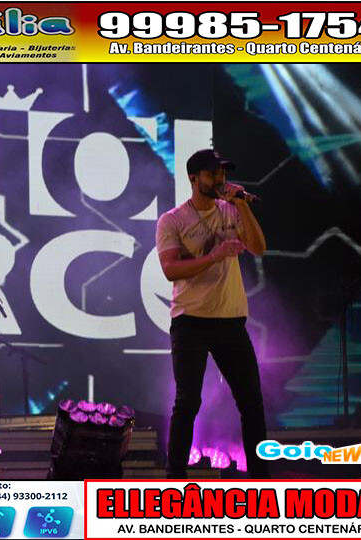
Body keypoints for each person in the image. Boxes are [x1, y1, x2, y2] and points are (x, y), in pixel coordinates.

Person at [156, 148, 270, 478]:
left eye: (222, 172)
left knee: (251, 401)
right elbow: (170, 269)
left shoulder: (232, 210)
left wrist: (242, 204)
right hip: (190, 321)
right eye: (212, 173)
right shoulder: (173, 220)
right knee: (188, 401)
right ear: (194, 179)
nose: (220, 178)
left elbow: (259, 247)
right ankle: (175, 480)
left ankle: (261, 480)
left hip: (231, 320)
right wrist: (214, 256)